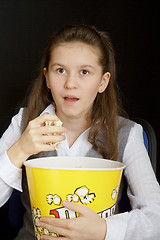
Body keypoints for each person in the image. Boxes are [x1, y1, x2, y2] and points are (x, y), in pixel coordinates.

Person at [0, 24, 160, 240]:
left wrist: (105, 230)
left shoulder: (127, 134)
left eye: (84, 72)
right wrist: (18, 151)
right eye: (60, 70)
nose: (70, 83)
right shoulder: (23, 123)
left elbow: (155, 218)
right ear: (47, 77)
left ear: (102, 82)